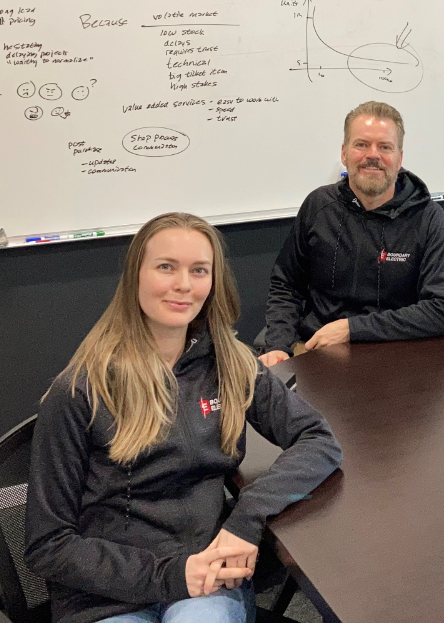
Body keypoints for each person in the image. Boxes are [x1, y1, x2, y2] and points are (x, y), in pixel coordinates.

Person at [25, 212, 342, 623]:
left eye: (199, 270)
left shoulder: (231, 364)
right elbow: (47, 544)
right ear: (135, 277)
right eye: (166, 267)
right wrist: (170, 575)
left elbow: (318, 439)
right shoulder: (80, 390)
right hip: (106, 595)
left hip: (206, 577)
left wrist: (247, 517)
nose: (183, 285)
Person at [256, 101, 444, 367]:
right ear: (344, 153)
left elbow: (443, 309)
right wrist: (278, 345)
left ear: (399, 158)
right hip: (318, 353)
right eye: (361, 144)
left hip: (397, 358)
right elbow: (287, 285)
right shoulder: (319, 207)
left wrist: (352, 329)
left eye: (384, 147)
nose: (372, 155)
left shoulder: (428, 218)